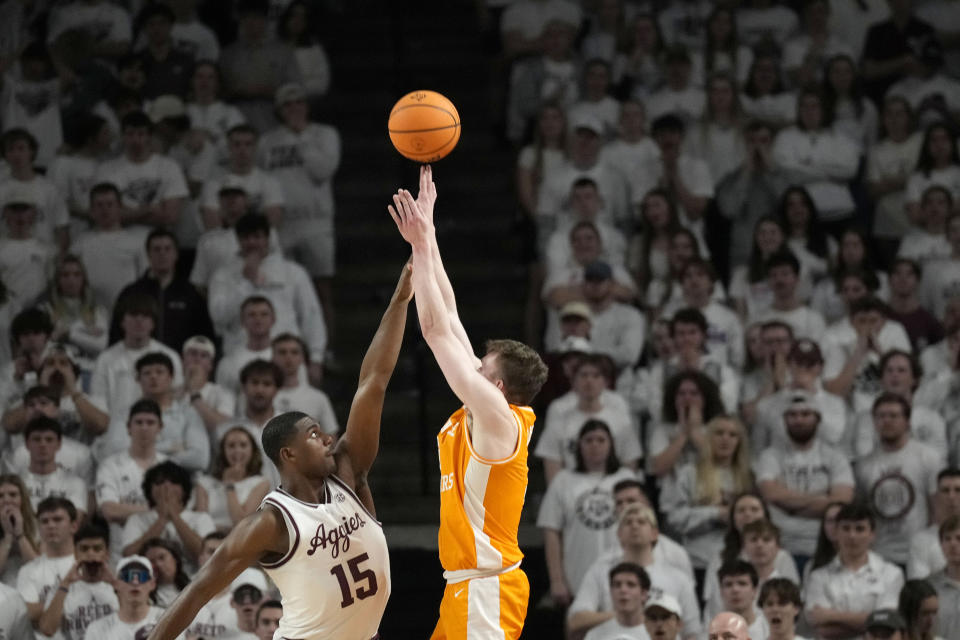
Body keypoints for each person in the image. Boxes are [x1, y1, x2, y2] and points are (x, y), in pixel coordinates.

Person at [145, 259, 412, 640]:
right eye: (314, 434)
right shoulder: (269, 523)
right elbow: (199, 590)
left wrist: (400, 300)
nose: (328, 439)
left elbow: (373, 381)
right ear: (288, 454)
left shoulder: (349, 473)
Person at [389, 168, 549, 638]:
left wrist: (417, 248)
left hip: (489, 590)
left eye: (482, 367)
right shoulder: (488, 409)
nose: (472, 366)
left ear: (498, 389)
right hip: (463, 588)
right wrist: (429, 234)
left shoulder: (500, 421)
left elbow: (436, 331)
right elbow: (451, 315)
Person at [208, 213, 327, 374]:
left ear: (267, 238)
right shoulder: (223, 275)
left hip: (287, 358)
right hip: (240, 357)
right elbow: (219, 316)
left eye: (257, 236)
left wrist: (316, 357)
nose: (251, 242)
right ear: (238, 240)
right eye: (246, 237)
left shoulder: (293, 272)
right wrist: (246, 281)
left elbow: (311, 315)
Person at [568, 504, 701, 640]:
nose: (634, 526)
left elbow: (692, 632)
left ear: (655, 534)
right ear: (619, 534)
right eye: (628, 522)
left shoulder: (678, 578)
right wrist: (623, 615)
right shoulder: (600, 571)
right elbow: (576, 620)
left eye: (641, 522)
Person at [538, 420, 636, 603]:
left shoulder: (626, 478)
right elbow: (551, 531)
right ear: (579, 446)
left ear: (611, 444)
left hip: (624, 581)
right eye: (589, 440)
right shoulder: (563, 481)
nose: (595, 445)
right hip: (577, 578)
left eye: (601, 440)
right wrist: (557, 581)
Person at [756, 392, 855, 563]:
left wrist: (789, 504)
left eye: (805, 414)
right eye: (792, 415)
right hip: (779, 547)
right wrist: (821, 499)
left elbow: (841, 501)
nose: (799, 420)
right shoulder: (770, 456)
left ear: (818, 419)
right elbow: (771, 494)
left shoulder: (835, 457)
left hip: (823, 547)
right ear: (784, 420)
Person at [856, 393, 943, 565]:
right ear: (874, 422)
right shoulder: (863, 465)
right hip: (879, 554)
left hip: (918, 554)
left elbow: (938, 511)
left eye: (894, 415)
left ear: (907, 421)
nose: (887, 421)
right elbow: (861, 513)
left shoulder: (928, 457)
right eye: (881, 416)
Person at [659, 415, 753, 570]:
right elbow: (675, 518)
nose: (725, 439)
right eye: (719, 433)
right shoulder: (690, 473)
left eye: (732, 435)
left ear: (739, 441)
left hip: (740, 563)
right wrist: (715, 513)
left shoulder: (749, 477)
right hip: (698, 560)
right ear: (709, 438)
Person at [805, 501, 905, 639]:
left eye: (860, 529)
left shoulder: (892, 574)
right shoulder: (818, 577)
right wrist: (870, 622)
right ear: (836, 532)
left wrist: (830, 615)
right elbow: (823, 630)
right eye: (846, 528)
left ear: (872, 534)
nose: (852, 535)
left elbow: (884, 625)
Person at [536, 355, 641, 483]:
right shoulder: (558, 424)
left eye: (596, 376)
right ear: (573, 381)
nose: (589, 381)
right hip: (571, 493)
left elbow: (629, 467)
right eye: (584, 375)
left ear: (606, 382)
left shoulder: (621, 423)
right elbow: (553, 475)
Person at [108, 228, 215, 353]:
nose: (162, 254)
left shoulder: (191, 294)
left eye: (167, 249)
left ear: (176, 254)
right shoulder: (131, 293)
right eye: (157, 249)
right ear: (148, 255)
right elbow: (116, 334)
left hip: (180, 364)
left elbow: (204, 336)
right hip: (138, 363)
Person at [96, 399, 167, 563]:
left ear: (160, 428)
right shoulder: (110, 465)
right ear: (128, 427)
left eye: (150, 422)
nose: (144, 428)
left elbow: (176, 512)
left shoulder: (169, 467)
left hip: (161, 553)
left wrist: (125, 508)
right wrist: (158, 510)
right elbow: (109, 510)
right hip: (120, 556)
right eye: (139, 422)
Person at [90, 293, 183, 415]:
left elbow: (177, 399)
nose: (139, 320)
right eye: (133, 315)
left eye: (145, 316)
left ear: (153, 323)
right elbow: (98, 404)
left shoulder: (170, 356)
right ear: (122, 321)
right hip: (116, 428)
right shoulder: (105, 359)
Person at [93, 111, 188, 230]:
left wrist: (125, 212)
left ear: (149, 136)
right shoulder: (106, 169)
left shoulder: (169, 167)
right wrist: (149, 210)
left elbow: (171, 217)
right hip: (119, 240)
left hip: (159, 241)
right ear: (122, 136)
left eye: (141, 134)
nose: (135, 140)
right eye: (130, 134)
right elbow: (105, 216)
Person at [37, 524, 117, 639]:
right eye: (84, 549)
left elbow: (137, 623)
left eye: (97, 549)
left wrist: (115, 585)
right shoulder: (62, 588)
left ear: (106, 553)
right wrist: (65, 583)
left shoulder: (119, 586)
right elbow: (47, 629)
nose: (91, 554)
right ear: (75, 553)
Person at [16, 498, 79, 629]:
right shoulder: (28, 570)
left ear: (74, 526)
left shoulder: (88, 564)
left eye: (57, 519)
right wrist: (75, 603)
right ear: (39, 528)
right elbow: (29, 612)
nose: (51, 525)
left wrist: (48, 608)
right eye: (44, 521)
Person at [196, 426, 270, 532]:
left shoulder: (261, 483)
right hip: (209, 541)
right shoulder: (204, 483)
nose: (237, 451)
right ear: (223, 451)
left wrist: (229, 486)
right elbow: (201, 526)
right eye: (231, 446)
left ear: (252, 450)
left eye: (243, 445)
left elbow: (242, 523)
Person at [83, 555, 165, 640]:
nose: (135, 582)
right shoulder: (97, 629)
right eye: (127, 576)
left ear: (152, 584)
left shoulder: (165, 620)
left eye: (142, 576)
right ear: (116, 584)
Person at [20, 416, 88, 517]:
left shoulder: (75, 483)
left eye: (49, 439)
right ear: (26, 444)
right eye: (36, 439)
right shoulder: (15, 483)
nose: (42, 444)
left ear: (59, 444)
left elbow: (75, 521)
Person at [271, 333, 337, 432]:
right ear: (273, 357)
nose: (288, 357)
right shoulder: (260, 396)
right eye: (282, 352)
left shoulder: (318, 398)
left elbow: (331, 439)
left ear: (302, 357)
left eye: (294, 352)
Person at [909, 469, 960, 579]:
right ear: (936, 496)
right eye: (945, 490)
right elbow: (920, 587)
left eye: (958, 490)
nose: (951, 496)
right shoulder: (921, 541)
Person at [583, 563, 651, 640]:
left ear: (644, 594)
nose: (623, 590)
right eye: (617, 585)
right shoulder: (594, 635)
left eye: (631, 585)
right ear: (611, 592)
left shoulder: (658, 634)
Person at [718, 560, 768, 640]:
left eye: (742, 583)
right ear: (721, 592)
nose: (735, 589)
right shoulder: (712, 633)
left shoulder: (769, 631)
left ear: (755, 591)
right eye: (728, 584)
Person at [140, 538, 189, 608]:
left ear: (175, 558)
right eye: (151, 561)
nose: (158, 564)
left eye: (162, 557)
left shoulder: (193, 583)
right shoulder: (145, 598)